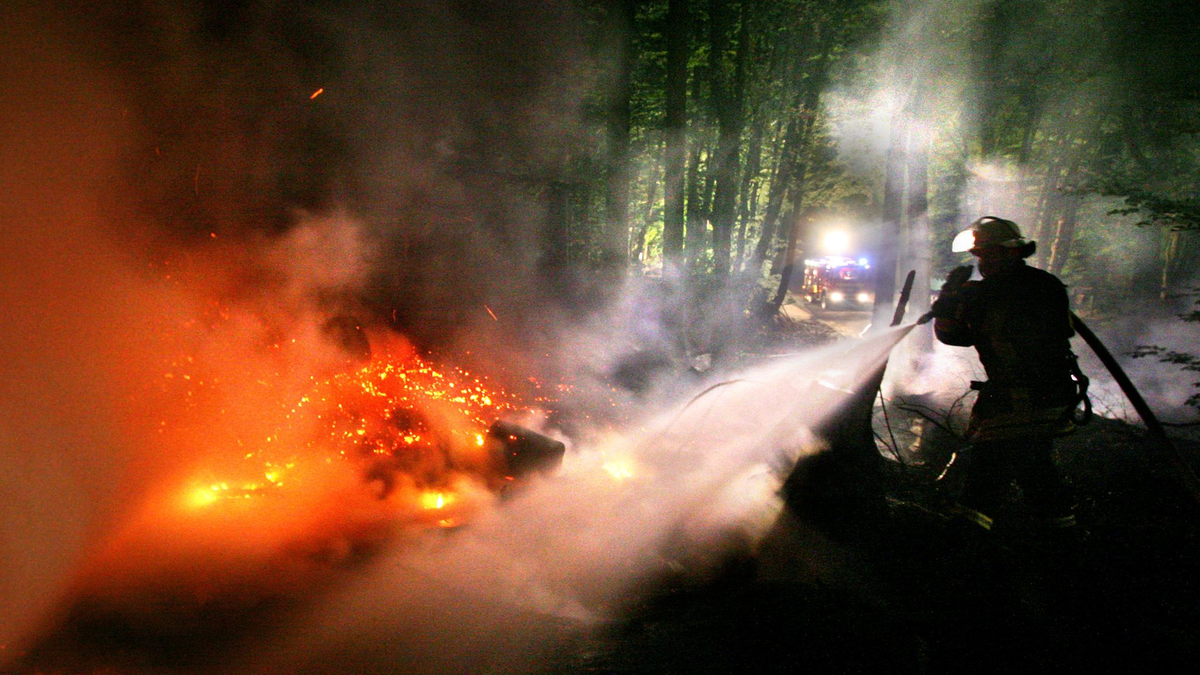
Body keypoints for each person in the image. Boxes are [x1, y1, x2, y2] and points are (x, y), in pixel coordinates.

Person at [931, 216, 1086, 535]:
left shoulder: (986, 294)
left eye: (988, 255)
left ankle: (966, 540)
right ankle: (1061, 537)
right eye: (979, 256)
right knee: (1032, 466)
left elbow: (954, 336)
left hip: (1020, 398)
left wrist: (949, 301)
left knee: (990, 469)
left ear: (1011, 252)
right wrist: (956, 300)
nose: (982, 263)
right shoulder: (1045, 284)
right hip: (1046, 393)